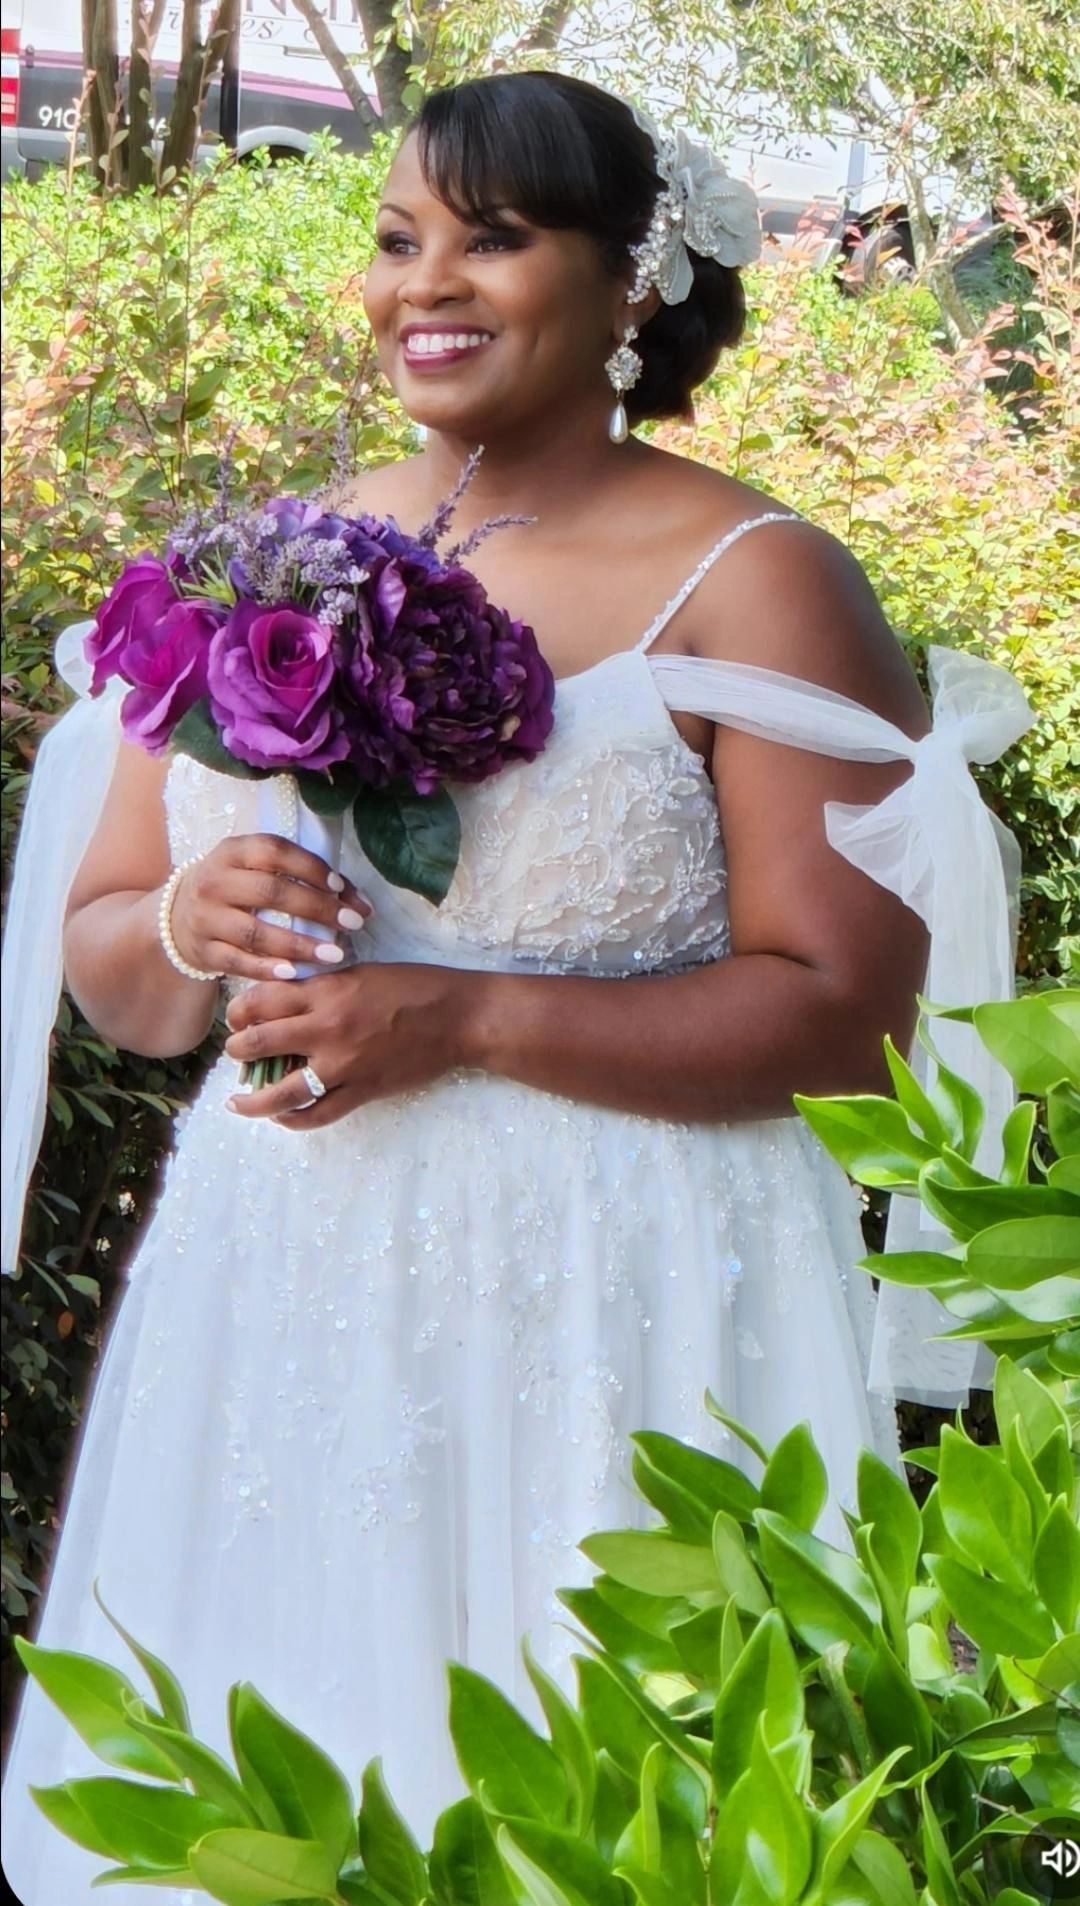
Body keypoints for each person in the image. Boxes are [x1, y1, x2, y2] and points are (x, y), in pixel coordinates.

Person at [1, 70, 1031, 1898]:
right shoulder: (261, 565)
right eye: (399, 237)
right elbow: (126, 991)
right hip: (288, 1286)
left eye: (495, 237)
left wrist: (467, 1018)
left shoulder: (760, 582)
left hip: (625, 1287)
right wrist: (184, 923)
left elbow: (845, 1013)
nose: (427, 282)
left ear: (633, 278)